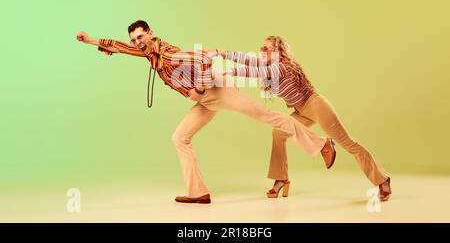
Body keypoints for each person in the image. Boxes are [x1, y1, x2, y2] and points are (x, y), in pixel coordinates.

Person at [76, 22, 336, 204]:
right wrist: (91, 41)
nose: (137, 43)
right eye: (135, 39)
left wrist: (199, 87)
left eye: (140, 37)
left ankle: (323, 144)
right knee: (180, 138)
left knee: (266, 116)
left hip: (216, 90)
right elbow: (121, 46)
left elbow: (201, 60)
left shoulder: (168, 54)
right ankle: (198, 193)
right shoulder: (148, 53)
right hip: (206, 102)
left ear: (151, 34)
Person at [216, 35, 392, 201]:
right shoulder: (269, 64)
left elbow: (254, 72)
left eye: (268, 49)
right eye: (262, 48)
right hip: (301, 110)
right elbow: (248, 60)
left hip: (315, 105)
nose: (263, 51)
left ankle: (382, 180)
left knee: (348, 143)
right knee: (278, 133)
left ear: (279, 52)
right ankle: (281, 179)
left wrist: (230, 72)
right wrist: (220, 53)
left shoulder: (282, 67)